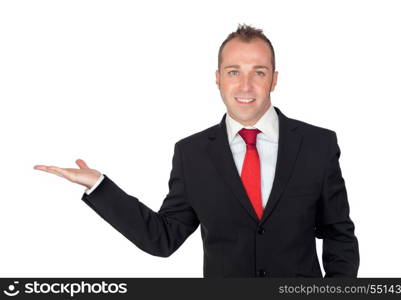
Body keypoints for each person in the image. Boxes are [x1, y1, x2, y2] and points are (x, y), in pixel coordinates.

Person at [34, 24, 359, 278]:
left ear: (273, 80)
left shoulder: (318, 144)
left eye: (258, 73)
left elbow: (339, 235)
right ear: (218, 79)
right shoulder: (192, 155)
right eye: (234, 72)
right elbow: (162, 238)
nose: (245, 86)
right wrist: (99, 185)